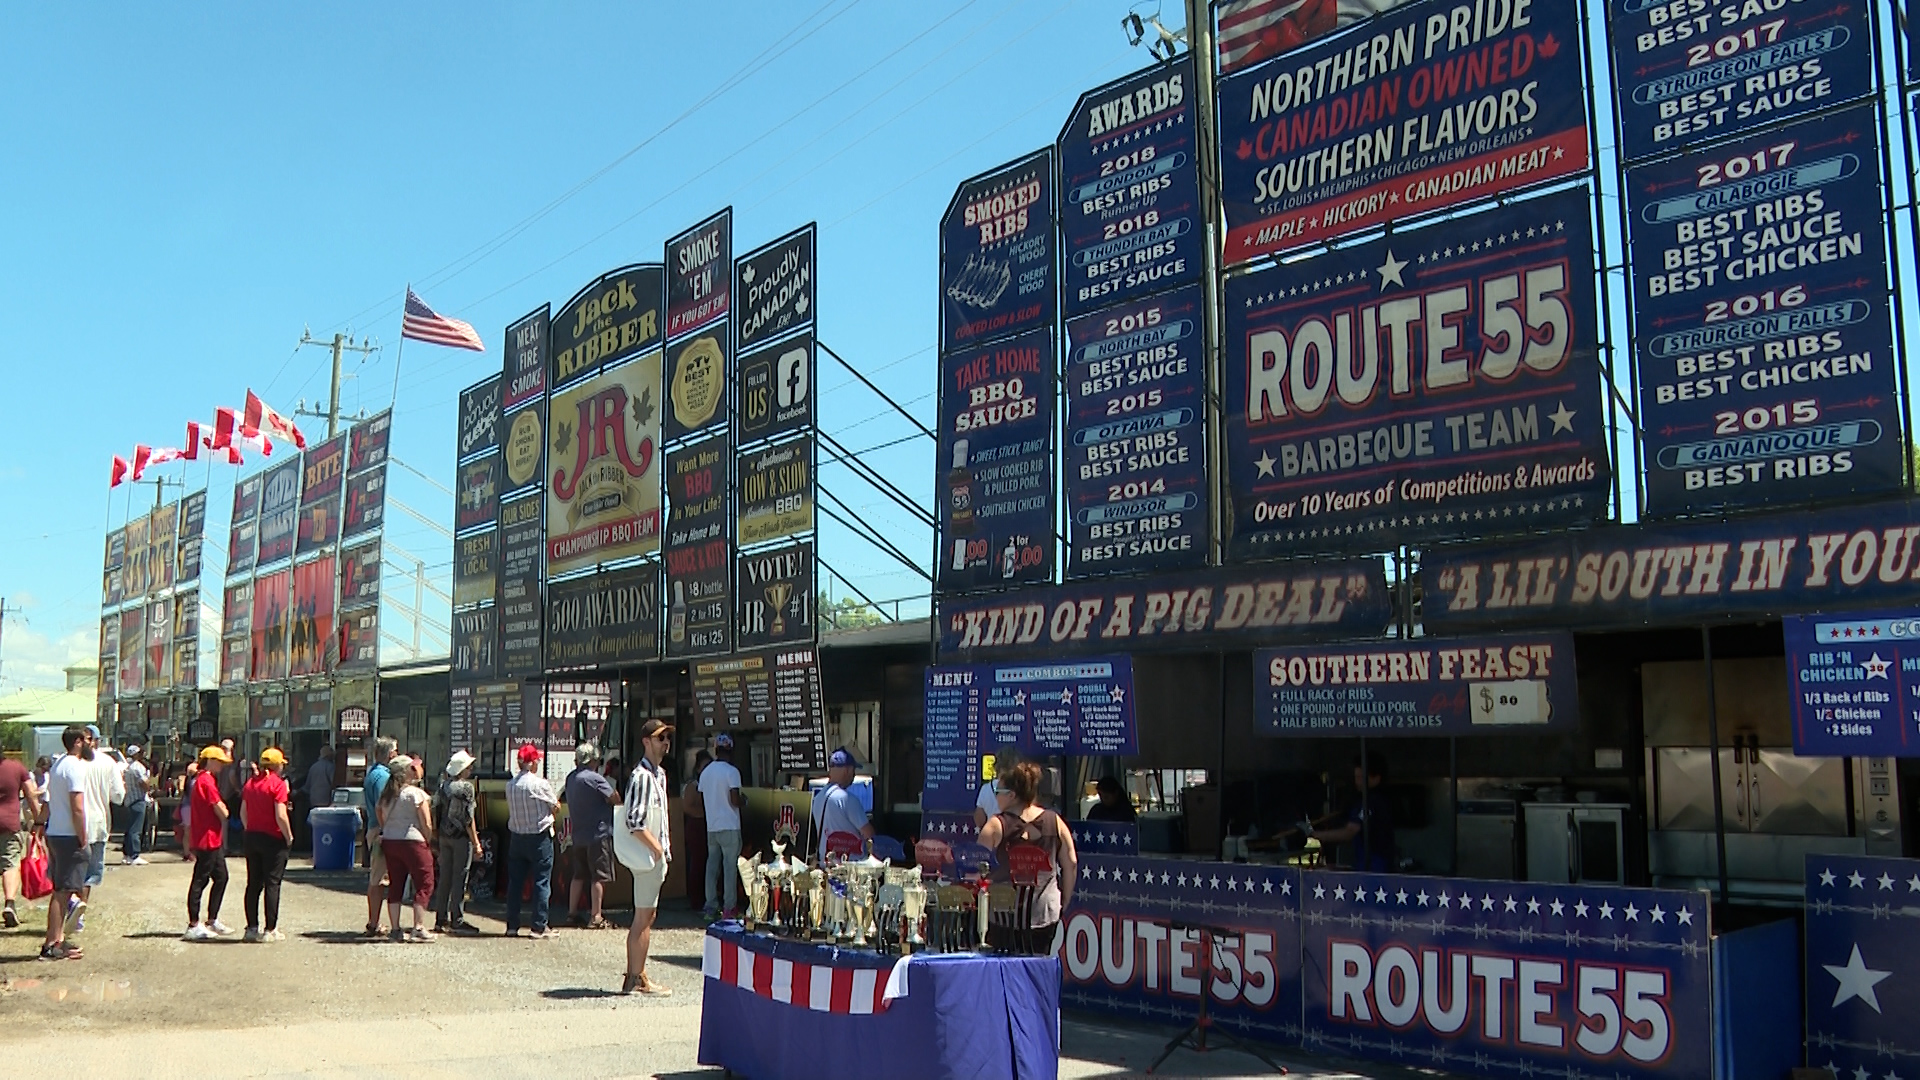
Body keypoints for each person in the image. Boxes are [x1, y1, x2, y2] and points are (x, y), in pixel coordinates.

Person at [977, 761, 1078, 954]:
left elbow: (976, 866)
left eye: (998, 791)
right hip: (1044, 913)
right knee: (1037, 969)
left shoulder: (995, 826)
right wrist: (1063, 900)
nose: (996, 796)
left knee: (1003, 972)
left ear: (1012, 795)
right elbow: (1071, 863)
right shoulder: (1055, 821)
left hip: (1003, 915)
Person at [621, 717, 673, 995]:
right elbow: (635, 821)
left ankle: (636, 974)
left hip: (652, 854)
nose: (665, 743)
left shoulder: (658, 774)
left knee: (646, 915)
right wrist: (657, 849)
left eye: (666, 738)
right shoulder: (642, 776)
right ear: (646, 741)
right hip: (648, 857)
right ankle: (636, 976)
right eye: (659, 738)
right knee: (643, 917)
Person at [40, 728, 92, 960]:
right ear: (78, 742)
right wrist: (83, 835)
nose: (92, 743)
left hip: (56, 832)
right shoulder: (74, 766)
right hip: (69, 835)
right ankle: (52, 944)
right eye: (89, 739)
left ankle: (57, 941)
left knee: (62, 889)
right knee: (63, 892)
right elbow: (77, 806)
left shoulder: (59, 765)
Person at [378, 755, 436, 943]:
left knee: (396, 883)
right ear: (407, 771)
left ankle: (395, 929)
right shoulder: (416, 793)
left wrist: (387, 827)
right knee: (424, 881)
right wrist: (428, 839)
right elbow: (426, 822)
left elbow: (379, 812)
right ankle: (418, 926)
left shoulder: (387, 794)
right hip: (413, 840)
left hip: (390, 840)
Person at [562, 742, 620, 929]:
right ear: (593, 760)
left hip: (578, 834)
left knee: (578, 875)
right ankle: (596, 916)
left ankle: (571, 913)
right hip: (598, 833)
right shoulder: (596, 779)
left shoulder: (571, 778)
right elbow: (615, 799)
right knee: (599, 876)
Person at [504, 742, 559, 939]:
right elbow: (556, 805)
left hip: (517, 837)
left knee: (515, 883)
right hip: (539, 837)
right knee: (541, 882)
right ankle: (539, 926)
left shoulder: (510, 785)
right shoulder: (540, 784)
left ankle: (512, 925)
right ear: (533, 762)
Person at [240, 748, 295, 942]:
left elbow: (243, 812)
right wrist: (288, 836)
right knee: (272, 883)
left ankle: (251, 927)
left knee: (253, 884)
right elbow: (281, 814)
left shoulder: (250, 784)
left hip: (252, 836)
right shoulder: (277, 785)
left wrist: (249, 829)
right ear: (276, 765)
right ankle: (270, 929)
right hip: (273, 838)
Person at [1305, 755, 1395, 872]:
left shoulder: (1372, 802)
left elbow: (1350, 832)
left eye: (1360, 777)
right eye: (1356, 777)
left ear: (1376, 778)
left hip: (1375, 866)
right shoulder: (1368, 800)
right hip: (1365, 863)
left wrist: (1315, 834)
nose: (1357, 782)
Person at [184, 744, 235, 941]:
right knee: (200, 879)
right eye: (220, 762)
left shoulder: (201, 779)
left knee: (221, 877)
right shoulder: (206, 781)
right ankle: (193, 924)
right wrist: (224, 809)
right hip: (207, 837)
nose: (222, 765)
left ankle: (211, 919)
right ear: (211, 761)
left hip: (210, 837)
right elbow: (222, 811)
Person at [431, 750, 481, 935]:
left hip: (444, 836)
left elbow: (435, 810)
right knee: (460, 877)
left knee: (445, 878)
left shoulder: (443, 786)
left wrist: (435, 835)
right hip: (460, 838)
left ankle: (440, 918)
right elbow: (469, 818)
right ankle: (457, 919)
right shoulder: (467, 788)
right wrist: (476, 842)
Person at [78, 726, 124, 925]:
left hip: (71, 825)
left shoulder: (68, 762)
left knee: (73, 870)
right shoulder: (108, 762)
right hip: (98, 824)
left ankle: (73, 907)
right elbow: (119, 796)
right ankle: (79, 913)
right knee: (90, 873)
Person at [699, 736, 744, 919]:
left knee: (712, 866)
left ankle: (710, 906)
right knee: (729, 868)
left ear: (716, 750)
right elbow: (734, 799)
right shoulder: (732, 772)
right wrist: (744, 801)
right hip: (730, 825)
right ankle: (729, 907)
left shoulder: (706, 772)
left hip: (712, 826)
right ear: (730, 751)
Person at [361, 736, 397, 937]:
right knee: (379, 879)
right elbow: (383, 807)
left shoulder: (372, 773)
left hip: (374, 828)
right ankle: (374, 923)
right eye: (396, 751)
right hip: (380, 830)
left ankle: (374, 922)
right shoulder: (383, 777)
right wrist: (387, 831)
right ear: (390, 754)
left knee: (378, 878)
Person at [1, 750, 41, 929]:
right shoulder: (16, 767)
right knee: (10, 864)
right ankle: (9, 903)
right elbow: (31, 794)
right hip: (8, 823)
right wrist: (39, 820)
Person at [812, 749, 876, 862]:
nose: (854, 775)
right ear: (848, 770)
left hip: (825, 866)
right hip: (849, 870)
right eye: (853, 770)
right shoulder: (847, 799)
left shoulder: (817, 798)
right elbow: (868, 834)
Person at [682, 750, 710, 913]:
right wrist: (703, 813)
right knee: (697, 864)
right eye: (704, 766)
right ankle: (695, 900)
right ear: (698, 768)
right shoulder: (693, 785)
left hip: (708, 827)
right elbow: (686, 807)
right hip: (695, 827)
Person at [120, 745, 153, 865]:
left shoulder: (127, 767)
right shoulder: (138, 767)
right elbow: (144, 783)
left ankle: (127, 854)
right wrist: (149, 786)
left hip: (129, 799)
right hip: (138, 799)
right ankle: (134, 855)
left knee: (130, 828)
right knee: (136, 829)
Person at [973, 745, 1020, 828]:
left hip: (992, 834)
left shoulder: (986, 788)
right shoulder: (1021, 786)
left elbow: (979, 821)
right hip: (1015, 835)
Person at [299, 745, 335, 850]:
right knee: (327, 829)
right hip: (327, 802)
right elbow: (334, 784)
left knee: (315, 828)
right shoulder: (330, 767)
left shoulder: (313, 767)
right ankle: (325, 848)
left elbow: (307, 786)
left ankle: (315, 848)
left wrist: (297, 792)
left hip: (314, 801)